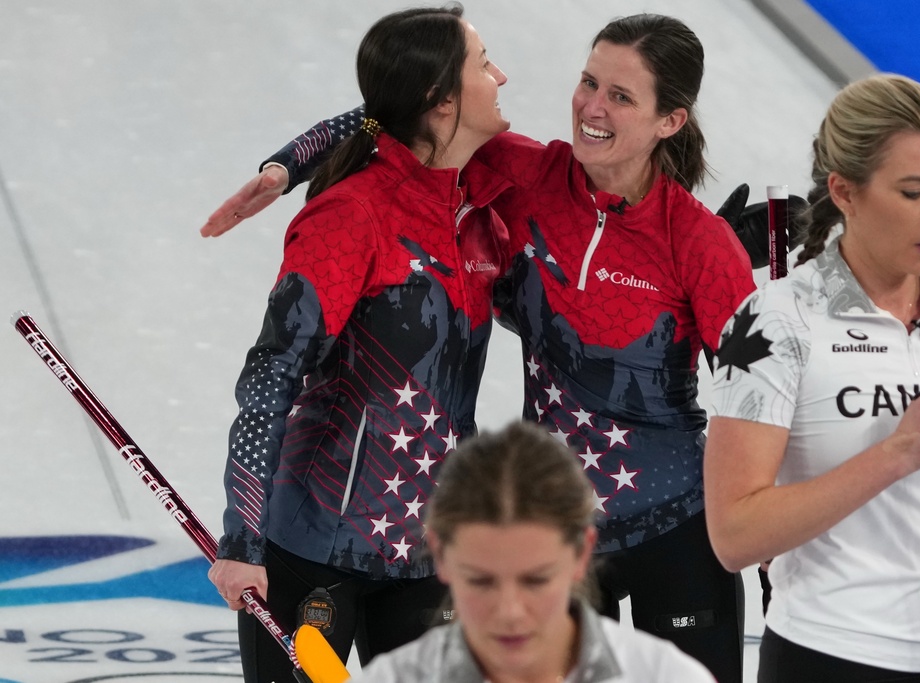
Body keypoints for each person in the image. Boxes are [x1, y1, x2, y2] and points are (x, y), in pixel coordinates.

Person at [203, 14, 760, 682]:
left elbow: (763, 399)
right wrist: (287, 166)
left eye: (620, 95)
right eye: (589, 83)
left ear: (670, 120)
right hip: (427, 544)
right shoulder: (510, 177)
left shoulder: (684, 237)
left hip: (640, 534)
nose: (590, 105)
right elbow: (388, 112)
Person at [206, 6, 513, 681]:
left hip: (430, 551)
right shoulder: (352, 217)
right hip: (314, 548)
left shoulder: (478, 208)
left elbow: (379, 110)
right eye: (484, 63)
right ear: (440, 102)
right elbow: (271, 375)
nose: (502, 75)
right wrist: (239, 536)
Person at [705, 73, 920, 682]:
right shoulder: (778, 319)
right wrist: (899, 452)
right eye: (913, 192)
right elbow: (735, 535)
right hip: (825, 658)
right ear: (845, 192)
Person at [349, 420, 717, 683]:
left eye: (536, 580)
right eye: (481, 581)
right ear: (441, 556)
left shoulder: (664, 676)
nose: (510, 611)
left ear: (581, 554)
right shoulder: (394, 677)